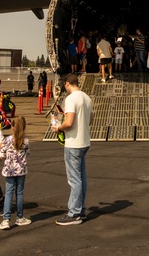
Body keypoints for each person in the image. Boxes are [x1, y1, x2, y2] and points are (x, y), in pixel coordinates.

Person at [51, 73, 92, 225]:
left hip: (73, 143)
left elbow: (68, 123)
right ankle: (80, 210)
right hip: (84, 141)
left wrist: (58, 129)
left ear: (67, 83)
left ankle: (74, 213)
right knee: (82, 178)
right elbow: (90, 120)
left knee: (74, 179)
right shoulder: (87, 98)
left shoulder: (70, 98)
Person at [0, 116, 31, 229]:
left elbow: (1, 156)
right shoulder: (25, 141)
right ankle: (20, 217)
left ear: (12, 127)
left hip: (9, 170)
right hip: (21, 170)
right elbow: (27, 154)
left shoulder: (7, 140)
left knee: (8, 193)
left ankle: (6, 219)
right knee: (19, 193)